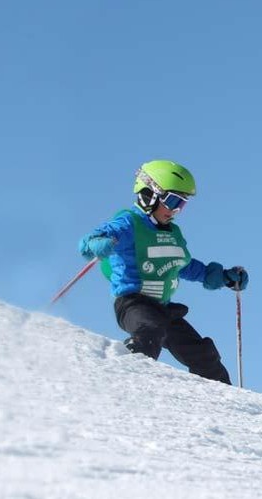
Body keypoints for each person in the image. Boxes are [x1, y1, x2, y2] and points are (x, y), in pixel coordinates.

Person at [78, 160, 248, 384]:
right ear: (149, 195)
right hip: (133, 304)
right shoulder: (129, 223)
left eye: (183, 204)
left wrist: (220, 276)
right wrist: (97, 244)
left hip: (164, 309)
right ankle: (124, 379)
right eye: (173, 201)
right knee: (150, 331)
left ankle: (230, 403)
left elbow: (184, 265)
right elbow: (88, 243)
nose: (176, 210)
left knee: (203, 354)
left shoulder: (172, 232)